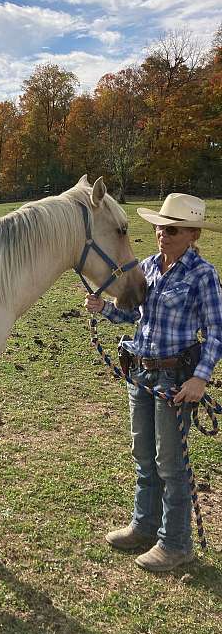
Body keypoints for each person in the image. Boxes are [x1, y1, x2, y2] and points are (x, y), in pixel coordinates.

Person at [85, 193, 222, 572]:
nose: (162, 233)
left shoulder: (202, 275)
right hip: (140, 373)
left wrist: (200, 377)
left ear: (193, 234)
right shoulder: (147, 266)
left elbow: (216, 332)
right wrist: (106, 310)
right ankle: (144, 526)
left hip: (175, 379)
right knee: (144, 456)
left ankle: (176, 544)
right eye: (160, 225)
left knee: (170, 464)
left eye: (172, 228)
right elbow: (134, 316)